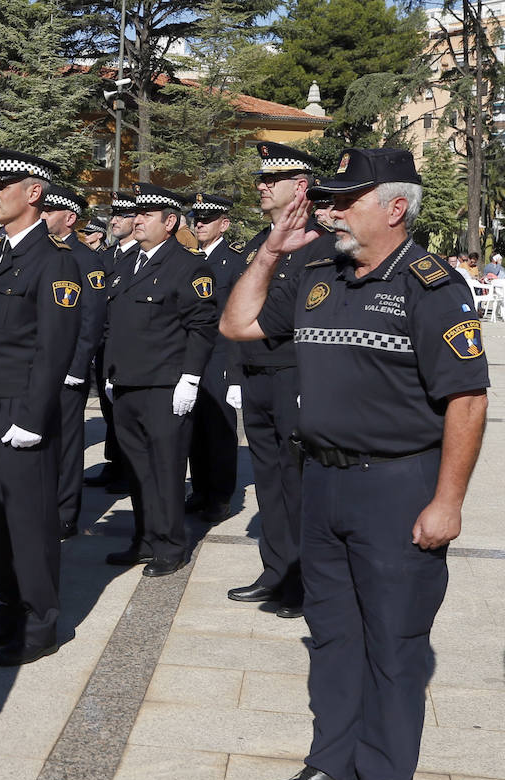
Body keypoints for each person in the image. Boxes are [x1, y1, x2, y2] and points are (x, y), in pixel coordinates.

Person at [222, 146, 489, 780]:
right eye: (330, 198)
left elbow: (466, 400)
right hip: (323, 482)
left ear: (395, 208)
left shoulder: (433, 287)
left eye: (349, 199)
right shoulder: (315, 272)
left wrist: (448, 501)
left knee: (395, 645)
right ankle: (331, 765)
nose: (332, 210)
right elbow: (239, 325)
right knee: (333, 636)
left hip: (398, 486)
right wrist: (270, 253)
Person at [0, 148, 80, 665]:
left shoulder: (54, 261)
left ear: (34, 194)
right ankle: (8, 606)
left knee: (29, 521)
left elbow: (54, 349)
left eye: (4, 184)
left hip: (20, 409)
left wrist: (32, 418)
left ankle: (39, 620)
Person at [228, 142, 334, 618]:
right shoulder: (257, 243)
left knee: (298, 484)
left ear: (302, 186)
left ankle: (303, 582)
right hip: (256, 374)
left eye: (274, 179)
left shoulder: (323, 244)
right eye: (261, 179)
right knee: (269, 482)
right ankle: (275, 572)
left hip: (295, 375)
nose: (262, 185)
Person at [101, 183, 217, 576]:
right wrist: (111, 372)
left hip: (165, 387)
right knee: (136, 469)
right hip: (128, 383)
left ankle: (170, 544)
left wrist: (190, 378)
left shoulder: (188, 266)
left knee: (165, 469)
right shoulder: (126, 263)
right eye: (136, 213)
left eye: (147, 214)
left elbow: (202, 326)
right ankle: (144, 537)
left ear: (170, 222)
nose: (137, 219)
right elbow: (116, 325)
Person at [41, 183, 107, 538]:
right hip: (41, 366)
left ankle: (65, 512)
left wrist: (78, 368)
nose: (43, 215)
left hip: (67, 369)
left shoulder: (86, 259)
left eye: (50, 211)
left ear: (69, 218)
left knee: (67, 443)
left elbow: (92, 320)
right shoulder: (49, 254)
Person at [186, 193, 245, 523]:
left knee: (219, 430)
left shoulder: (234, 262)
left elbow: (236, 318)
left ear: (224, 224)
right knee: (194, 427)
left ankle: (221, 496)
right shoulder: (190, 259)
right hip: (194, 355)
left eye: (206, 220)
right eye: (196, 219)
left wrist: (235, 373)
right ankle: (201, 489)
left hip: (221, 357)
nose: (199, 224)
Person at [84, 190, 139, 491]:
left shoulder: (138, 257)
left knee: (124, 410)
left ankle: (127, 469)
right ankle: (114, 463)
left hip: (124, 343)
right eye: (114, 215)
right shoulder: (104, 256)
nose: (114, 220)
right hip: (102, 343)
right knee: (108, 410)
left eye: (122, 215)